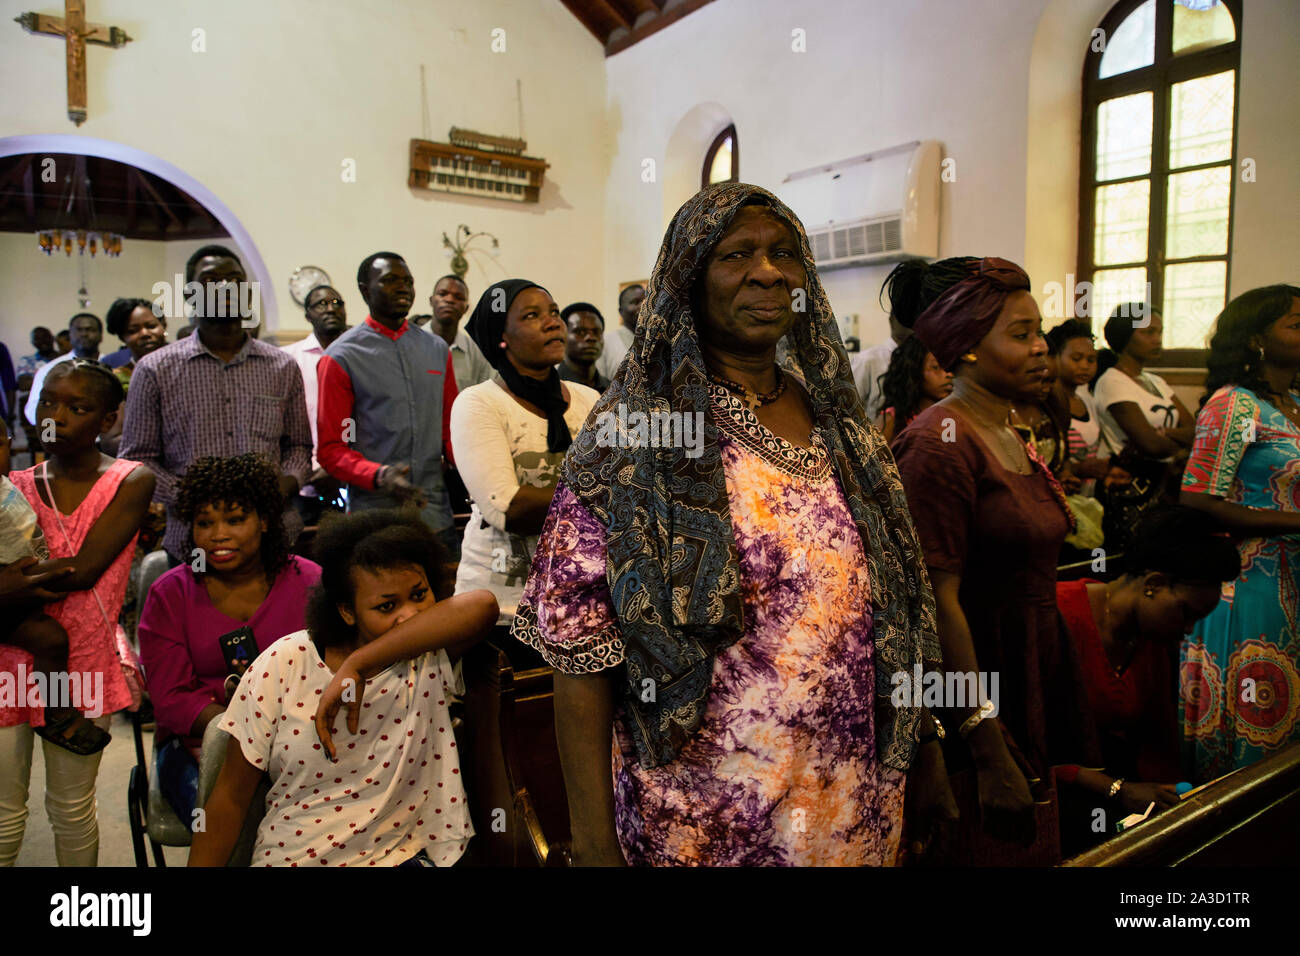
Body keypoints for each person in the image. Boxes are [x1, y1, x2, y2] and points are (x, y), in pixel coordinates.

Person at [513, 184, 946, 866]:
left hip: (852, 795)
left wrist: (925, 746)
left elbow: (896, 608)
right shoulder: (635, 431)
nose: (766, 271)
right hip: (707, 811)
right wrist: (593, 842)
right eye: (736, 254)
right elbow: (580, 653)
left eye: (782, 254)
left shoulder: (840, 422)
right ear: (689, 279)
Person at [889, 256, 1100, 858]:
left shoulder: (1005, 429)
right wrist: (983, 740)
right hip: (979, 681)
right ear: (968, 348)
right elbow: (932, 604)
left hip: (1031, 661)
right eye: (1022, 334)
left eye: (1040, 331)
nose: (1042, 349)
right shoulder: (939, 444)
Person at [188, 510, 497, 867]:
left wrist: (359, 664)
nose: (410, 615)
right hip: (294, 857)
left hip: (396, 857)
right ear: (347, 612)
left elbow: (484, 606)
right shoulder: (285, 663)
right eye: (387, 606)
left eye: (419, 594)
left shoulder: (427, 657)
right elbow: (230, 797)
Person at [0, 359, 154, 866]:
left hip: (84, 665)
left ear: (107, 420)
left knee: (70, 808)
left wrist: (9, 584)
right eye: (48, 402)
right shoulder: (11, 485)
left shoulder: (131, 481)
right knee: (3, 814)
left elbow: (85, 571)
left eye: (77, 407)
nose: (56, 417)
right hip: (7, 663)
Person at [137, 454, 322, 820]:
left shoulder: (311, 581)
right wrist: (241, 735)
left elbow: (333, 669)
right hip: (201, 742)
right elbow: (171, 697)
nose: (218, 534)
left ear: (265, 521)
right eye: (204, 523)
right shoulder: (170, 594)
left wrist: (284, 738)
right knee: (239, 823)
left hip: (303, 738)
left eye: (235, 520)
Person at [1054, 506, 1239, 854]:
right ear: (1153, 584)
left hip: (1102, 792)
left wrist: (1170, 796)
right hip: (1051, 798)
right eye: (1187, 614)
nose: (1187, 631)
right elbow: (1024, 743)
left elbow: (1158, 740)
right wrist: (1117, 789)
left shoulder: (1149, 640)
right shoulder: (1058, 614)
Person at [119, 244, 312, 565]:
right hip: (192, 538)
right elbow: (138, 460)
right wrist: (194, 498)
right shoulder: (155, 370)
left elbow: (299, 446)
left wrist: (286, 483)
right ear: (190, 294)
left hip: (272, 534)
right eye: (210, 280)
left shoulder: (281, 367)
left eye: (234, 279)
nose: (225, 287)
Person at [1178, 284, 1300, 783]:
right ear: (1256, 339)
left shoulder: (1293, 401)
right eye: (1296, 323)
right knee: (1257, 721)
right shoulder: (1235, 406)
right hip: (1250, 587)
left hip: (1294, 580)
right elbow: (1198, 500)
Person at [451, 281, 600, 642]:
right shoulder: (479, 404)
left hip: (582, 601)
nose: (553, 322)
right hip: (503, 607)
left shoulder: (589, 399)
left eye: (552, 312)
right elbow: (508, 509)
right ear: (501, 337)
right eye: (532, 316)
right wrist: (602, 493)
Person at [316, 252, 460, 560]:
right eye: (390, 281)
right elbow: (332, 449)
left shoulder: (436, 349)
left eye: (407, 281)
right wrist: (380, 475)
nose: (403, 288)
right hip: (374, 519)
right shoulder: (341, 357)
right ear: (365, 290)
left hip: (435, 515)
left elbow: (450, 431)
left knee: (448, 602)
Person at [1091, 305, 1194, 552]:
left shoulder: (1156, 381)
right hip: (1131, 486)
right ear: (1126, 336)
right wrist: (1178, 444)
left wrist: (1167, 433)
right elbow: (1151, 445)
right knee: (1135, 557)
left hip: (1167, 484)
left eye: (1159, 332)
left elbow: (1196, 429)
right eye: (1148, 332)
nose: (1157, 339)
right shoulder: (1112, 381)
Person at [282, 284, 348, 523]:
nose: (330, 308)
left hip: (355, 477)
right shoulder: (288, 359)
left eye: (337, 303)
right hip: (305, 481)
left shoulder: (359, 355)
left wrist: (341, 468)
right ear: (307, 314)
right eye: (321, 304)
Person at [1046, 320, 1116, 497]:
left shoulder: (1089, 401)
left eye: (1091, 360)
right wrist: (1078, 469)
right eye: (1076, 359)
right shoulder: (1046, 402)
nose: (1085, 366)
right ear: (1055, 357)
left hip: (1087, 498)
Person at [99, 297, 168, 458]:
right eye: (133, 331)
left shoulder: (186, 367)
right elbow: (110, 442)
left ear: (163, 326)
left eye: (151, 326)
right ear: (122, 337)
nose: (145, 334)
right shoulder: (118, 377)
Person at [24, 313, 103, 427]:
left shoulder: (113, 364)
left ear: (101, 335)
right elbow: (33, 411)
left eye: (90, 330)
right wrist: (52, 436)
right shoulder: (50, 369)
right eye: (79, 330)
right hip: (63, 438)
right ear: (70, 335)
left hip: (106, 439)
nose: (84, 334)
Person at [875, 335, 952, 444]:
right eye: (936, 367)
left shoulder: (952, 417)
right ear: (914, 371)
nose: (948, 374)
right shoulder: (893, 419)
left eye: (950, 367)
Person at [426, 274, 492, 392]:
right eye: (442, 294)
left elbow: (486, 395)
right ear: (431, 301)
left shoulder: (476, 352)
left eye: (458, 297)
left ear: (466, 308)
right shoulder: (410, 342)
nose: (450, 300)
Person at [853, 313, 912, 420]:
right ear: (892, 321)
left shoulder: (922, 359)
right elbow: (849, 408)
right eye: (906, 317)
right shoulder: (867, 360)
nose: (912, 323)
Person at [594, 283, 644, 381]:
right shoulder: (605, 342)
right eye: (635, 302)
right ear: (621, 312)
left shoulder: (657, 341)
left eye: (646, 302)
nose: (643, 306)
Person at [556, 302, 609, 392]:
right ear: (562, 337)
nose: (591, 338)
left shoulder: (614, 390)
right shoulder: (551, 388)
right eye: (580, 332)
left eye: (596, 332)